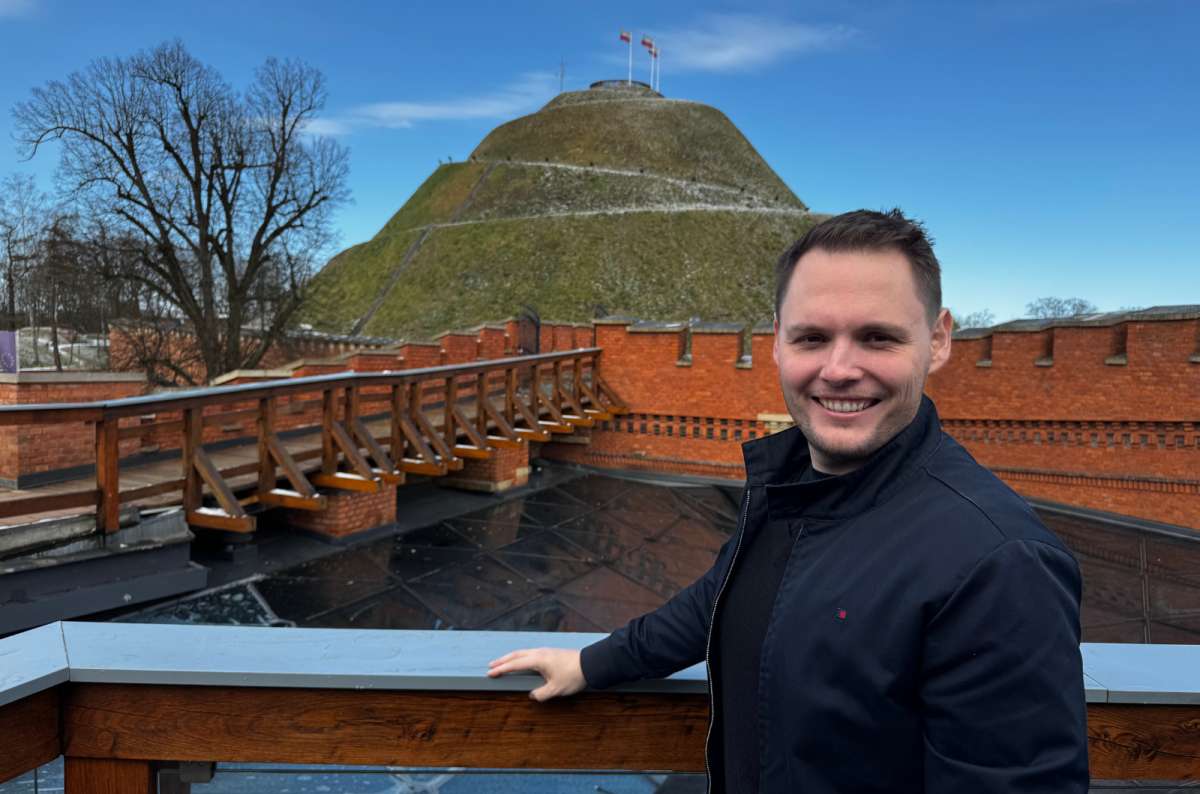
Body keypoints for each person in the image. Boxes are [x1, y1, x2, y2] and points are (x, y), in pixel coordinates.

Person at [488, 209, 1089, 793]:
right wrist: (592, 665)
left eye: (877, 337)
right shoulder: (794, 485)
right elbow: (717, 601)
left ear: (937, 341)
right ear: (776, 342)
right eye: (812, 337)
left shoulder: (1000, 563)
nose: (839, 369)